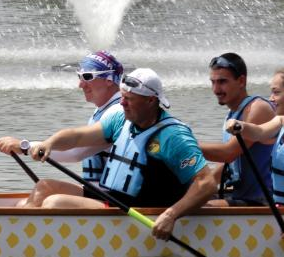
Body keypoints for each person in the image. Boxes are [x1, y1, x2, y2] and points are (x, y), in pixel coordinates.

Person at [20, 68, 217, 240]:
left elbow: (206, 184)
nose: (122, 103)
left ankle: (34, 246)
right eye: (122, 97)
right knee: (44, 187)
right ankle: (22, 237)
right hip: (113, 199)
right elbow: (78, 137)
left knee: (56, 202)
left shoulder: (173, 136)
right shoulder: (120, 119)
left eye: (129, 99)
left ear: (150, 100)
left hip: (139, 213)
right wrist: (49, 143)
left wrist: (171, 215)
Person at [0, 50, 123, 206]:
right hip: (99, 192)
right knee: (30, 198)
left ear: (109, 79)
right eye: (79, 77)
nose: (80, 84)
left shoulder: (118, 112)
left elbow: (74, 154)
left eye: (88, 77)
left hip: (113, 199)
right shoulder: (103, 109)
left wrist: (25, 147)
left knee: (46, 195)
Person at [199, 53, 276, 206]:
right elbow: (227, 163)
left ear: (241, 81)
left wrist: (183, 146)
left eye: (222, 82)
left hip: (262, 202)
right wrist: (201, 185)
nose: (216, 89)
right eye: (213, 82)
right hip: (240, 195)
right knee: (183, 199)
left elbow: (228, 153)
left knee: (194, 209)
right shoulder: (232, 113)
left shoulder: (257, 108)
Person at [226, 69, 284, 206]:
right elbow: (259, 132)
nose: (271, 98)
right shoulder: (280, 121)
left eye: (276, 92)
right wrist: (241, 126)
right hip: (278, 207)